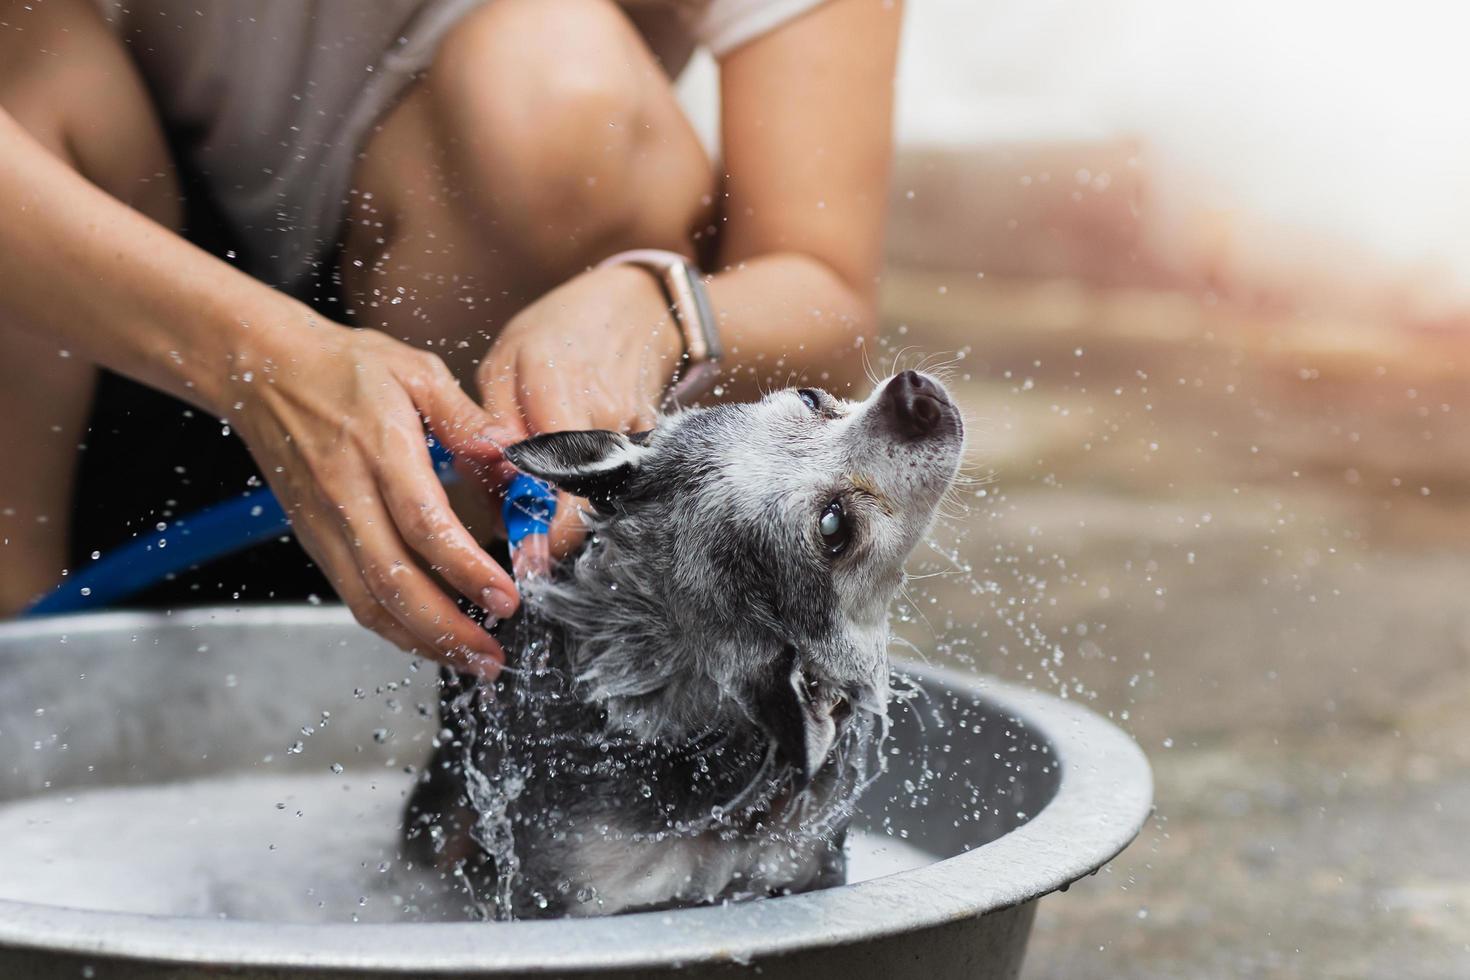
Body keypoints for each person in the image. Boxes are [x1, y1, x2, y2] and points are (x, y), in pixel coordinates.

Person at [0, 0, 901, 675]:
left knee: (558, 105)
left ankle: (489, 635)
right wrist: (262, 361)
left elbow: (822, 297)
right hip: (104, 374)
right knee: (30, 54)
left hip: (455, 411)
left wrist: (653, 307)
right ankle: (25, 646)